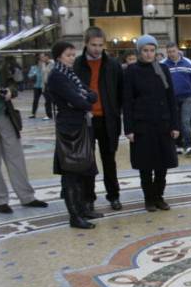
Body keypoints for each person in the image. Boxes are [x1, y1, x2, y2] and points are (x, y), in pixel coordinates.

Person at [0, 22, 48, 214]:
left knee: (16, 158)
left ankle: (27, 196)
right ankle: (0, 200)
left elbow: (12, 82)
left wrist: (9, 92)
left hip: (5, 114)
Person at [46, 41, 100, 229]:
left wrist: (83, 99)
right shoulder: (57, 76)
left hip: (81, 125)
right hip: (69, 129)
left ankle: (83, 208)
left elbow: (91, 95)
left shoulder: (70, 74)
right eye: (68, 55)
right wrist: (83, 99)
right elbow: (81, 101)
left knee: (84, 169)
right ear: (59, 56)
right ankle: (74, 216)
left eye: (72, 54)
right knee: (70, 172)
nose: (72, 58)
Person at [123, 35, 180, 212]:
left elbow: (171, 98)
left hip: (162, 124)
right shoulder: (131, 71)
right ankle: (149, 198)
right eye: (145, 51)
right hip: (142, 125)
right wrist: (129, 128)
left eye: (152, 50)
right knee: (146, 165)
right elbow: (127, 101)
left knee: (163, 164)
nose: (149, 54)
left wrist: (175, 125)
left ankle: (159, 196)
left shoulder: (163, 69)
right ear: (139, 52)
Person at [73, 26, 124, 213]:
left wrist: (117, 111)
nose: (97, 49)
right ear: (86, 44)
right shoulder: (77, 65)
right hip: (86, 120)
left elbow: (121, 91)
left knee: (109, 160)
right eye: (93, 45)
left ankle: (114, 195)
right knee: (88, 161)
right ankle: (89, 198)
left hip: (108, 120)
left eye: (100, 45)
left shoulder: (113, 64)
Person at [163, 42, 191, 156]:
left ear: (178, 50)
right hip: (171, 98)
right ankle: (177, 145)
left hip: (187, 97)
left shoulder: (188, 62)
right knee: (175, 122)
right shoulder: (163, 64)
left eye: (173, 51)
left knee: (185, 121)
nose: (171, 54)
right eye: (169, 52)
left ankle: (188, 145)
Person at [28, 53, 52, 119]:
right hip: (36, 86)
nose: (41, 62)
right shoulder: (34, 68)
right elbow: (29, 75)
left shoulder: (45, 67)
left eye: (42, 61)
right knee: (35, 100)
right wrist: (34, 74)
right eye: (40, 61)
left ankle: (49, 114)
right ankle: (33, 113)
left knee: (47, 100)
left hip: (44, 86)